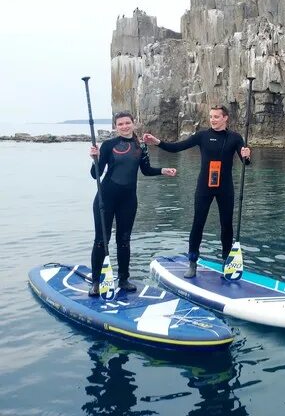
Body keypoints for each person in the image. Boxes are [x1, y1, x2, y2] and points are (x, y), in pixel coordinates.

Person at [143, 105, 251, 278]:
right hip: (204, 187)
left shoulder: (235, 138)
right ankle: (192, 262)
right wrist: (157, 142)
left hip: (225, 188)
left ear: (225, 118)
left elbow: (245, 162)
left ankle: (227, 261)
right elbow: (177, 147)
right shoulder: (203, 136)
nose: (213, 119)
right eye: (211, 116)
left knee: (227, 226)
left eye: (216, 116)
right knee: (198, 224)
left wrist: (246, 155)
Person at [88, 111, 177, 296]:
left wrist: (163, 171)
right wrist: (94, 159)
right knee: (101, 241)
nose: (124, 126)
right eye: (120, 124)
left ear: (133, 124)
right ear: (115, 127)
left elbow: (145, 170)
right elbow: (95, 174)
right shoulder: (108, 145)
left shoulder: (141, 146)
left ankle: (123, 279)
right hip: (106, 198)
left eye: (127, 123)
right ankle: (96, 281)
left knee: (124, 240)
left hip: (128, 200)